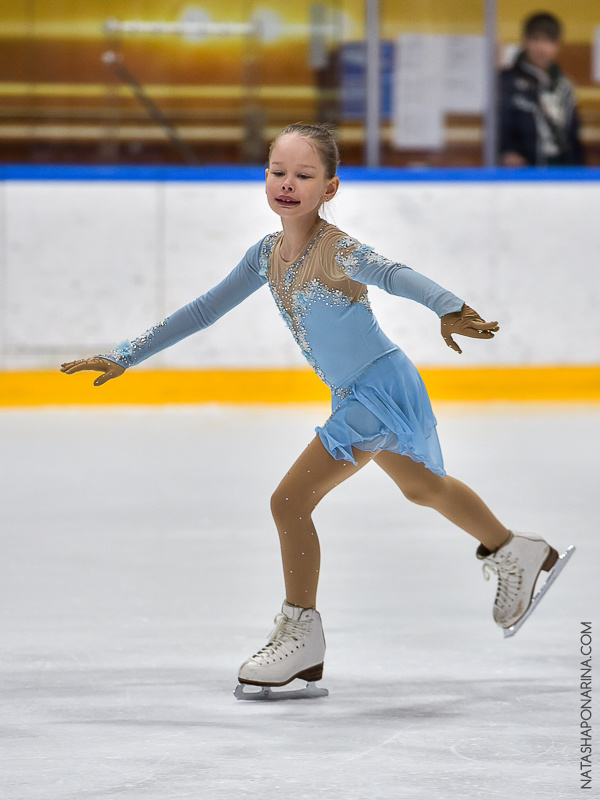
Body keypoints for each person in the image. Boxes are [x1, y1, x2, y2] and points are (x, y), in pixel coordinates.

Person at [61, 123, 574, 699]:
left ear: (329, 188)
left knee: (289, 500)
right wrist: (127, 354)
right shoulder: (266, 255)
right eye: (278, 172)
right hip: (360, 391)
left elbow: (392, 273)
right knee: (424, 489)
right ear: (265, 178)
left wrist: (449, 306)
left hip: (377, 391)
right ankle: (515, 548)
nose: (288, 183)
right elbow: (204, 310)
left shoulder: (336, 250)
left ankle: (302, 635)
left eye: (304, 175)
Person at [499, 12, 585, 167]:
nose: (541, 48)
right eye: (536, 39)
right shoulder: (507, 81)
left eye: (549, 41)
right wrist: (506, 151)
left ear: (557, 45)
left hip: (562, 169)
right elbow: (500, 124)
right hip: (525, 170)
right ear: (525, 41)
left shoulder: (565, 86)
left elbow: (572, 136)